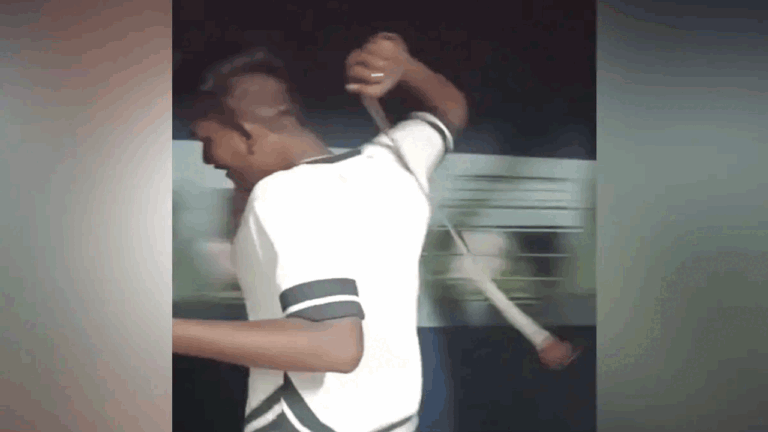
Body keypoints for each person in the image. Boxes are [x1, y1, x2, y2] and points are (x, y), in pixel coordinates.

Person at [172, 32, 573, 432]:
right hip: (395, 419)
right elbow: (450, 109)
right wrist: (407, 67)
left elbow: (335, 346)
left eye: (208, 139)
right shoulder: (394, 163)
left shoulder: (283, 195)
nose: (208, 158)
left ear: (246, 131)